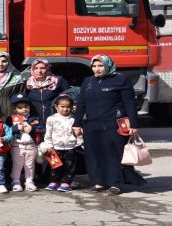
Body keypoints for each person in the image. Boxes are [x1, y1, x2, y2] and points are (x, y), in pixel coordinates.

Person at [73, 55, 144, 196]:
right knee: (93, 154)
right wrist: (77, 123)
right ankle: (98, 182)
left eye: (100, 66)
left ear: (108, 65)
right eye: (94, 66)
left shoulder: (120, 80)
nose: (97, 69)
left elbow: (129, 103)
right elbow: (81, 104)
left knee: (113, 153)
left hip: (113, 124)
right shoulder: (88, 81)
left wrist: (134, 123)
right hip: (92, 124)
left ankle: (115, 184)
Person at [42, 95, 81, 193]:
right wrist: (49, 145)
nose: (65, 109)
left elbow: (79, 133)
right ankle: (54, 181)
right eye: (62, 106)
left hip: (70, 146)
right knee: (55, 166)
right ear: (56, 107)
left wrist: (78, 141)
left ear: (72, 107)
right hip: (55, 147)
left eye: (68, 107)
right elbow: (48, 133)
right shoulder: (51, 119)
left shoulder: (74, 119)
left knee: (69, 167)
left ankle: (66, 183)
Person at [9, 94, 43, 192]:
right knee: (17, 164)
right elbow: (5, 130)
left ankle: (29, 182)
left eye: (26, 106)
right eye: (20, 107)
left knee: (30, 164)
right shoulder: (11, 118)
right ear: (15, 109)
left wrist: (33, 128)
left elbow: (42, 128)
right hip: (17, 146)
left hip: (31, 145)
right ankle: (15, 181)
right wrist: (15, 128)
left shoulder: (35, 118)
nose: (24, 109)